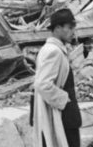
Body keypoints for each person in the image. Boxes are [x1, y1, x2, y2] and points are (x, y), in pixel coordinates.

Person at [33, 8, 82, 147]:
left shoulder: (52, 48)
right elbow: (42, 84)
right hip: (62, 114)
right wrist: (64, 99)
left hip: (64, 114)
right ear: (58, 28)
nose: (73, 32)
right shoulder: (53, 51)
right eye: (70, 28)